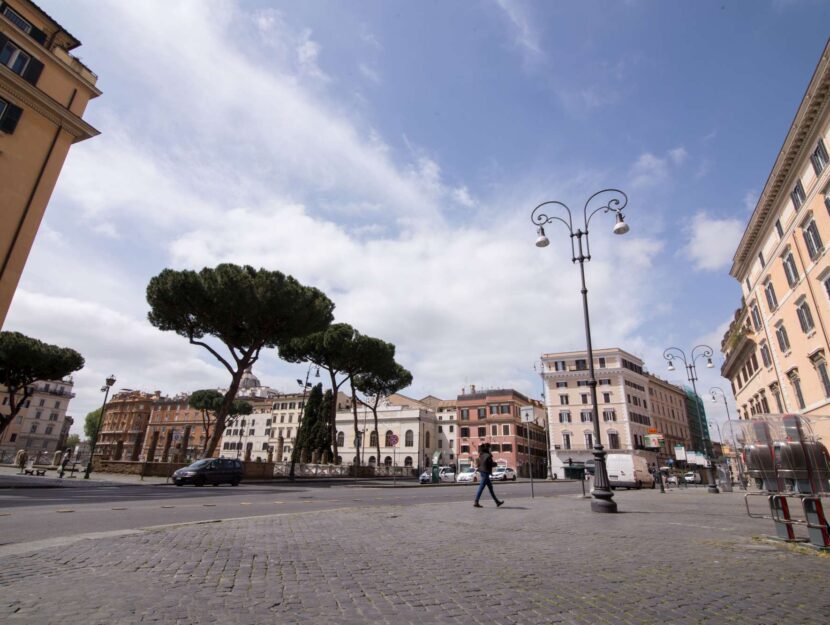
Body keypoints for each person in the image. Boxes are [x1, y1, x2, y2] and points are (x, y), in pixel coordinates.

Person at [473, 443, 504, 508]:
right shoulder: (488, 455)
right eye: (490, 448)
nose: (491, 449)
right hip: (485, 473)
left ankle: (497, 502)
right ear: (488, 448)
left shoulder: (481, 454)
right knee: (481, 487)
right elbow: (490, 464)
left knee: (490, 488)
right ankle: (476, 501)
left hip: (482, 471)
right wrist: (495, 464)